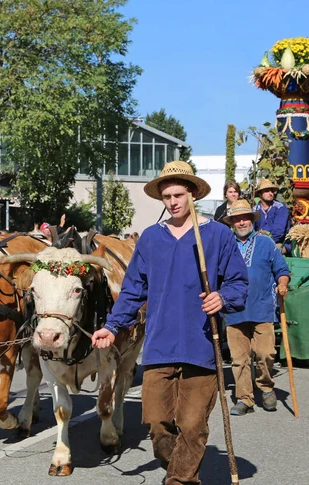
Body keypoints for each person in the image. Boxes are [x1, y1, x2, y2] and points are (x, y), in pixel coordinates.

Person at [91, 161, 249, 485]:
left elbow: (239, 284)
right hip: (159, 345)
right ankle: (185, 470)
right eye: (167, 196)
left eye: (179, 194)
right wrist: (111, 326)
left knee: (192, 426)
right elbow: (133, 290)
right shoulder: (151, 238)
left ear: (192, 194)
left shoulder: (217, 236)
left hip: (202, 344)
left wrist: (222, 297)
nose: (173, 202)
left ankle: (179, 480)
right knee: (157, 424)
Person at [223, 200, 290, 415]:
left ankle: (266, 387)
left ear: (252, 219)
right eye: (237, 219)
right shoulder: (225, 246)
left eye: (245, 218)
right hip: (234, 310)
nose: (241, 222)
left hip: (262, 307)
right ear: (232, 222)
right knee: (239, 359)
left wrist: (282, 284)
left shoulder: (266, 243)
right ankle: (244, 399)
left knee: (265, 353)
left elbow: (282, 269)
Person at [253, 179, 291, 246]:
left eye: (272, 191)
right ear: (260, 194)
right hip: (259, 242)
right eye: (267, 191)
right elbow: (251, 230)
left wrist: (263, 239)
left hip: (279, 243)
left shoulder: (280, 208)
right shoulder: (255, 210)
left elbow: (279, 232)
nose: (270, 193)